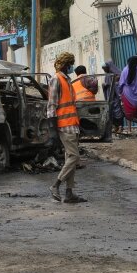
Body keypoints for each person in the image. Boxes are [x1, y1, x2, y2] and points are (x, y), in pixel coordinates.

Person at [47, 52, 86, 204]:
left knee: (70, 158)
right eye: (70, 64)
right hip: (64, 126)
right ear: (66, 65)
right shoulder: (56, 80)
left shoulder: (66, 80)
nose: (72, 67)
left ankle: (69, 193)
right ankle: (55, 185)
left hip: (72, 125)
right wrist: (52, 130)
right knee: (74, 157)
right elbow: (51, 106)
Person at [118, 56, 137, 134]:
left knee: (128, 113)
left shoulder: (125, 70)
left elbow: (121, 84)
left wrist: (120, 92)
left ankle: (129, 129)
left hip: (127, 95)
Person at [102, 61, 124, 136]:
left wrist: (119, 97)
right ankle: (116, 127)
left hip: (115, 97)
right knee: (112, 113)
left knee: (118, 112)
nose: (104, 70)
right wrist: (105, 86)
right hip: (109, 97)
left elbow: (117, 86)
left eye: (105, 69)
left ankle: (120, 127)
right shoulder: (107, 75)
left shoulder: (117, 75)